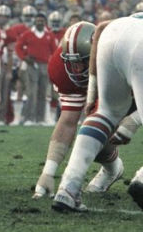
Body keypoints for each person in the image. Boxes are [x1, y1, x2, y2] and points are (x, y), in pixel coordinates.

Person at [52, 15, 143, 212]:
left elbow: (101, 28)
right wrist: (133, 122)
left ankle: (68, 189)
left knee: (104, 114)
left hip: (112, 33)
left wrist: (92, 90)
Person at [32, 22, 123, 200]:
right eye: (71, 62)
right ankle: (113, 169)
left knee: (97, 131)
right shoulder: (59, 67)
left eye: (82, 61)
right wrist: (48, 173)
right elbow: (67, 121)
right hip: (99, 80)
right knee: (94, 136)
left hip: (118, 86)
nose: (77, 69)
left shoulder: (112, 59)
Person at [15, 13, 57, 125]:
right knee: (31, 92)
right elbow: (18, 47)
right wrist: (24, 57)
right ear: (35, 21)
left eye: (42, 21)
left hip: (45, 65)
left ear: (45, 22)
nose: (40, 22)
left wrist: (51, 64)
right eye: (38, 20)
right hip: (32, 64)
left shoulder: (50, 35)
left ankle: (40, 119)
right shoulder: (28, 34)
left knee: (43, 93)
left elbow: (55, 51)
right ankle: (29, 118)